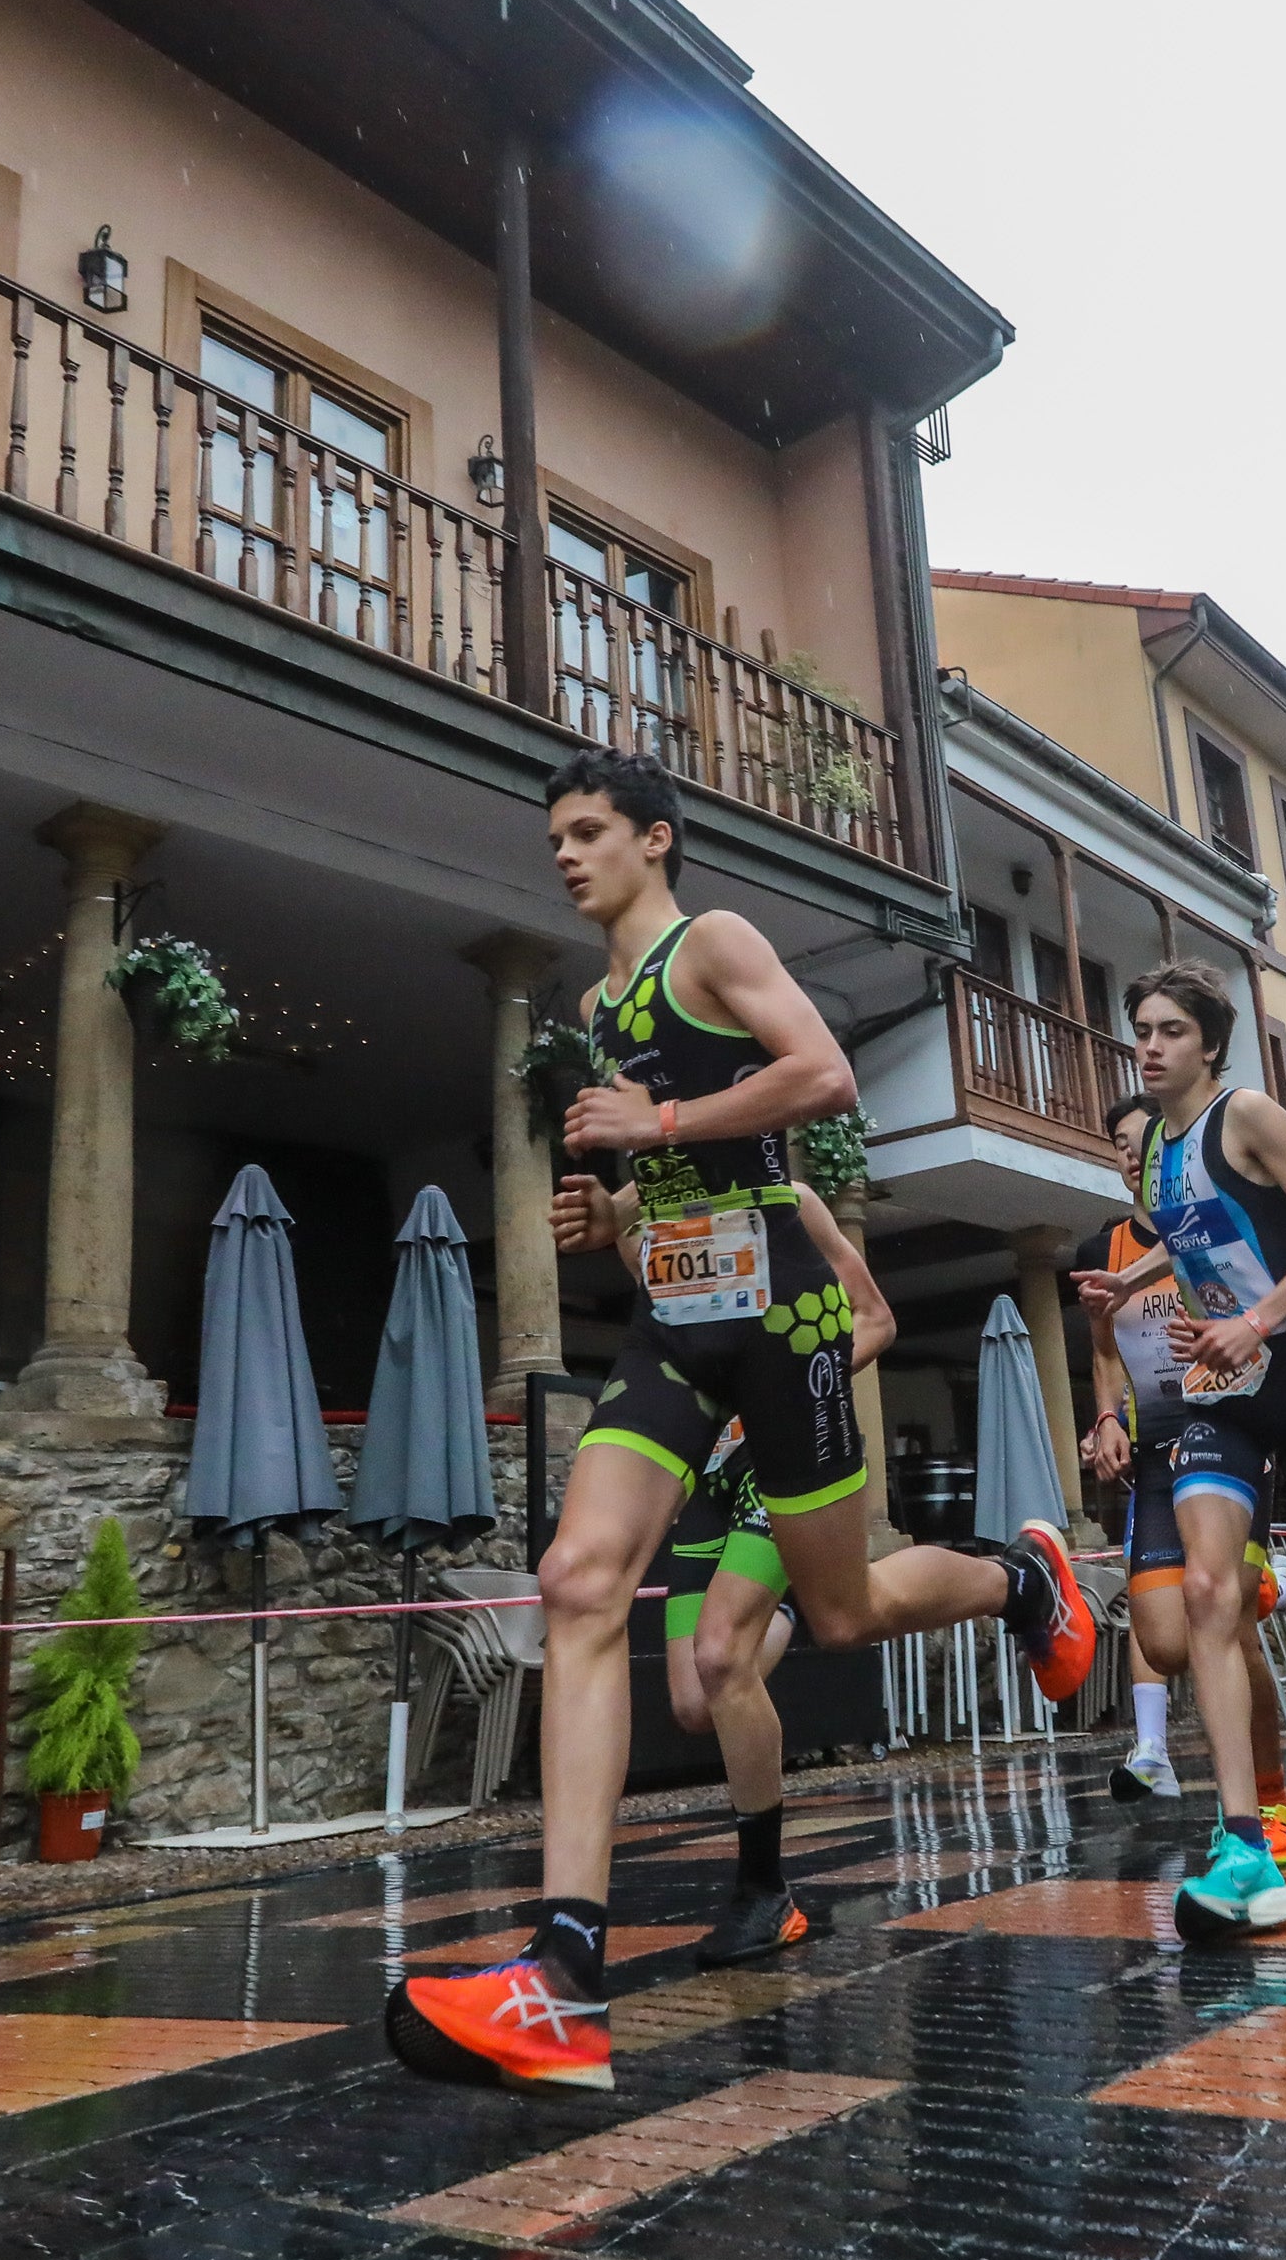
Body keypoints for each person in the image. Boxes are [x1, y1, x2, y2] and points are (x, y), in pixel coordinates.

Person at [390, 752, 1095, 2093]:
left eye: (590, 829)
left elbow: (820, 1073)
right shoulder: (596, 1006)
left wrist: (660, 1114)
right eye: (555, 833)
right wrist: (621, 1215)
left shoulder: (713, 942)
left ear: (657, 840)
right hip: (680, 1317)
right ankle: (562, 1973)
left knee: (837, 1615)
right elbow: (680, 1191)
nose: (566, 852)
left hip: (784, 1313)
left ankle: (1018, 1575)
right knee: (579, 1576)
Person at [1087, 960, 1286, 1938]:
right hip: (1220, 1392)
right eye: (1140, 1030)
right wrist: (1134, 1283)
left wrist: (1255, 1318)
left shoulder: (1245, 1113)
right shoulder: (1160, 1154)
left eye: (1170, 1029)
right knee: (1207, 1596)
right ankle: (1246, 1846)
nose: (1151, 1044)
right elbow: (1192, 1228)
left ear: (1208, 1042)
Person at [601, 1174, 896, 1968]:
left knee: (722, 1656)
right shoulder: (644, 1211)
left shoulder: (792, 1201)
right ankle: (788, 1606)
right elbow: (673, 1344)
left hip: (781, 1458)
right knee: (695, 1702)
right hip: (706, 1478)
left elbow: (874, 1319)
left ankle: (765, 1891)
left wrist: (785, 1392)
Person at [1080, 1095, 1286, 1863]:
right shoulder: (1102, 1246)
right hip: (1154, 1451)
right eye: (1117, 1145)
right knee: (1168, 1639)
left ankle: (1266, 1802)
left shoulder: (1211, 1221)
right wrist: (1106, 1417)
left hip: (1233, 1430)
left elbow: (1265, 1315)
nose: (1129, 1157)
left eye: (1142, 1144)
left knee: (1227, 1621)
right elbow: (1104, 1351)